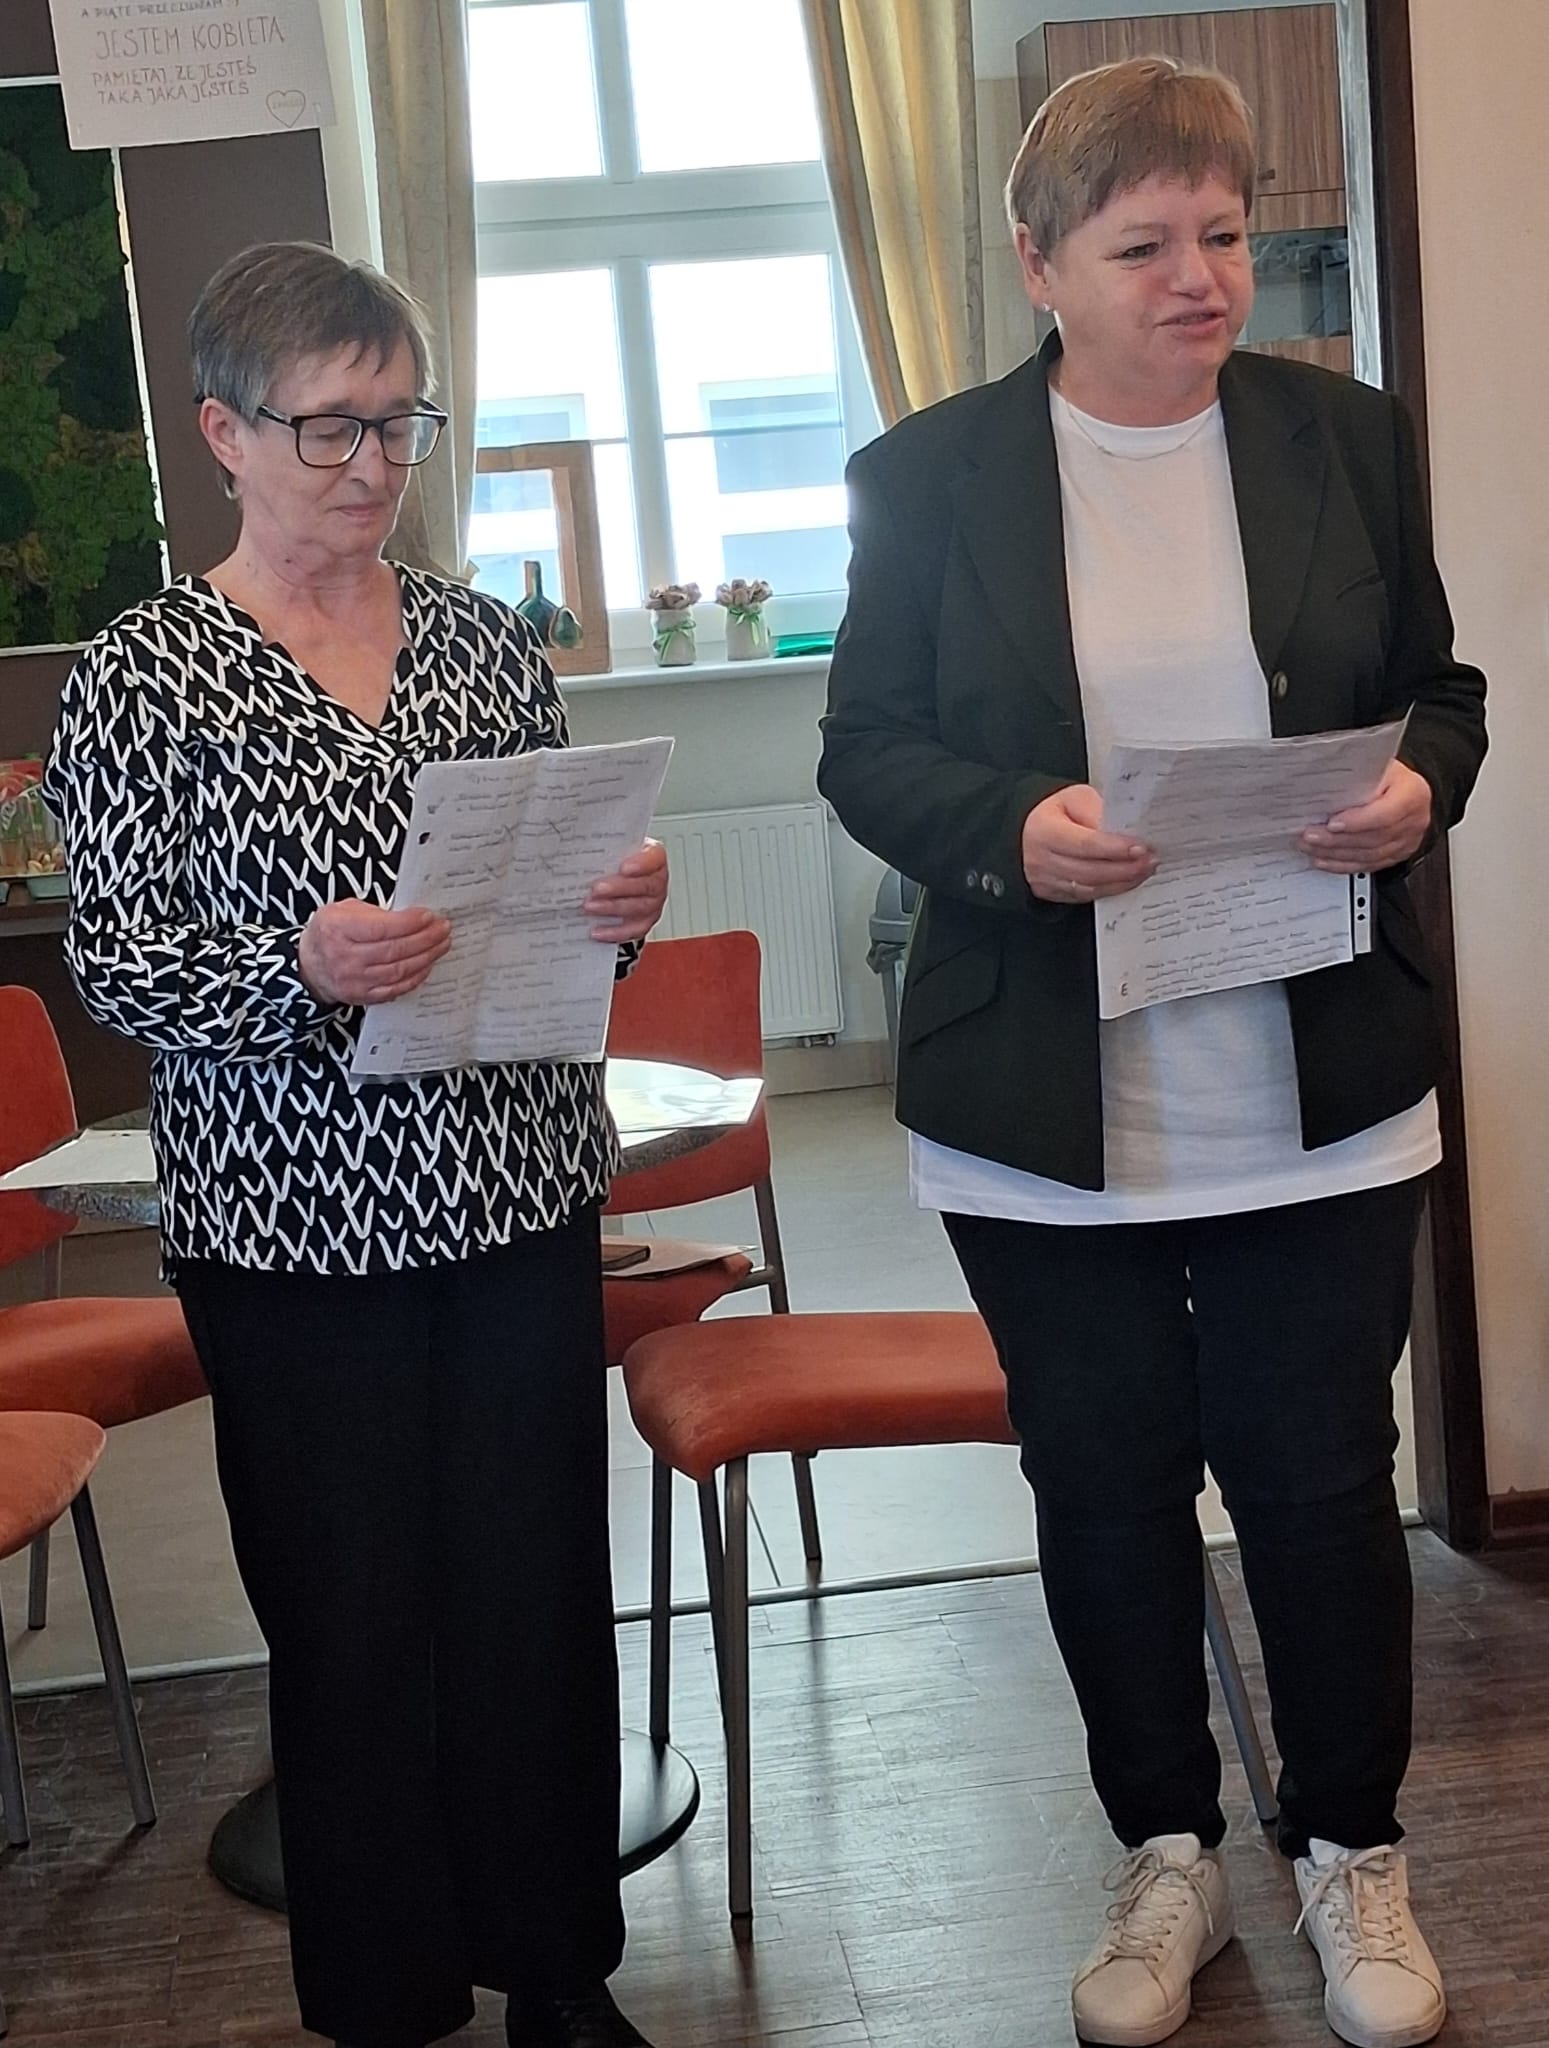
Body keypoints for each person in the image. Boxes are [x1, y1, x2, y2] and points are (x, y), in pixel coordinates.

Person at [818, 58, 1486, 2048]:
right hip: (1044, 1099)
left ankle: (1350, 1850)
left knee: (1319, 1480)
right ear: (1038, 265)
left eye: (1221, 233)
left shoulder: (1343, 437)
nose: (1198, 276)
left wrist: (1416, 790)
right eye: (1143, 246)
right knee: (1102, 1488)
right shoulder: (926, 478)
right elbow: (869, 751)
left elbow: (1436, 690)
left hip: (1313, 1083)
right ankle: (1164, 1850)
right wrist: (1007, 832)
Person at [45, 241, 668, 2048]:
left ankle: (557, 1969)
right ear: (223, 434)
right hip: (292, 1232)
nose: (373, 464)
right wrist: (294, 966)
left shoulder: (480, 637)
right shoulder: (145, 674)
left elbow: (558, 902)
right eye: (331, 426)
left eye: (399, 423)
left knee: (533, 1596)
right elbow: (120, 963)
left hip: (515, 1188)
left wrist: (615, 912)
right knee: (351, 1617)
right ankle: (389, 1999)